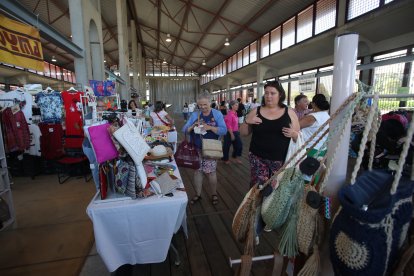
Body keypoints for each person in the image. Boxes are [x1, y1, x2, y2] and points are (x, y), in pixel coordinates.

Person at [240, 81, 300, 188]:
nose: (269, 96)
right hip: (257, 157)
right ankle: (255, 204)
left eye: (272, 93)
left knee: (276, 189)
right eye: (266, 93)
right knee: (258, 187)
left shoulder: (289, 112)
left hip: (280, 159)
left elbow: (298, 137)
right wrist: (247, 121)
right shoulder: (256, 111)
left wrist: (293, 134)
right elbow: (243, 133)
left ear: (280, 94)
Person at [182, 92, 227, 205]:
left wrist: (210, 127)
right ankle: (198, 194)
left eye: (204, 104)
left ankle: (214, 193)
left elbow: (224, 130)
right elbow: (184, 129)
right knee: (197, 172)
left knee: (211, 172)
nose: (202, 107)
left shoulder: (217, 114)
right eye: (200, 105)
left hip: (211, 148)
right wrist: (193, 125)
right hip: (197, 148)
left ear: (210, 103)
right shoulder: (194, 115)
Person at [222, 100, 243, 164]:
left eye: (238, 105)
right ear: (232, 106)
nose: (237, 106)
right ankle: (225, 159)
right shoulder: (230, 114)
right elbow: (228, 126)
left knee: (239, 145)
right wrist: (231, 134)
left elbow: (235, 124)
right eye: (236, 105)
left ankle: (234, 157)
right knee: (226, 146)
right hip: (229, 132)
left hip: (236, 132)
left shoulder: (235, 113)